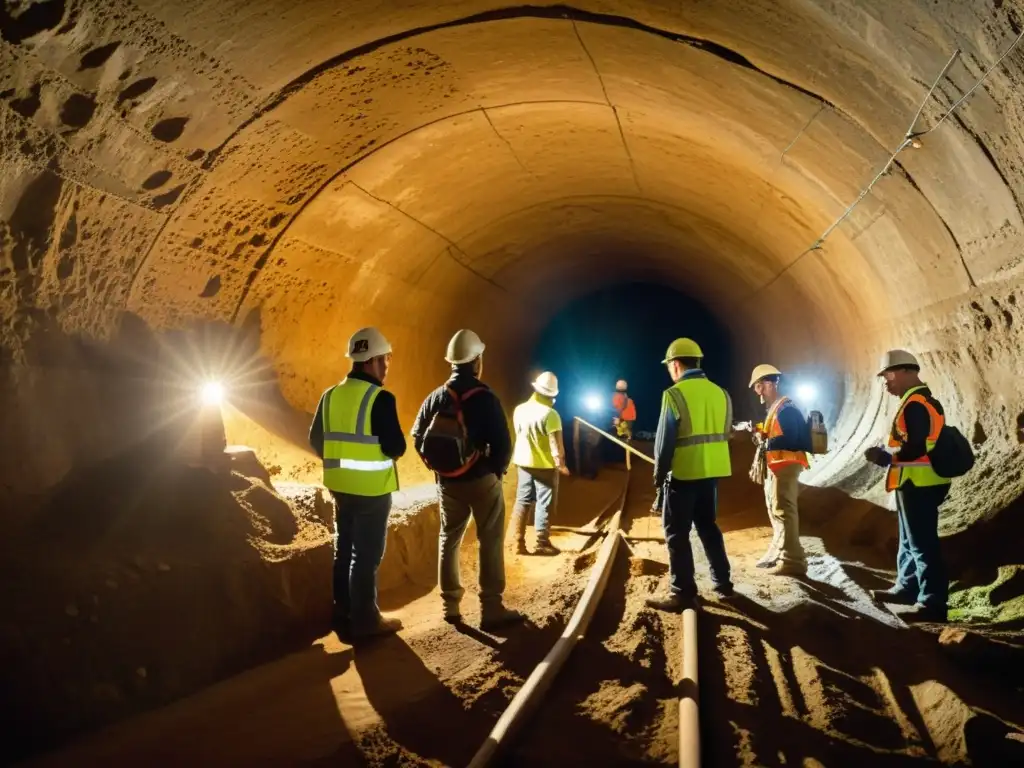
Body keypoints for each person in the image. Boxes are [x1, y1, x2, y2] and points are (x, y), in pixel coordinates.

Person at [411, 329, 523, 629]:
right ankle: (491, 608)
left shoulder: (435, 397)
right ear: (477, 361)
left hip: (447, 484)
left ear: (452, 362)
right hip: (482, 480)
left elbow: (417, 437)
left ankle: (450, 607)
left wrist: (440, 469)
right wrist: (495, 471)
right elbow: (503, 442)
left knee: (448, 538)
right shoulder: (485, 397)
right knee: (490, 539)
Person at [309, 327, 406, 640]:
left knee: (345, 549)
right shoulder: (380, 398)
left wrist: (339, 460)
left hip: (340, 486)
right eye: (385, 360)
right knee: (365, 557)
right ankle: (366, 622)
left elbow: (315, 439)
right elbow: (396, 448)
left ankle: (344, 613)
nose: (387, 366)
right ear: (372, 361)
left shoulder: (330, 395)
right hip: (371, 490)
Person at [647, 338, 735, 611]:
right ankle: (723, 585)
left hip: (684, 475)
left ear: (675, 365)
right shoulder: (722, 393)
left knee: (676, 533)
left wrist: (659, 476)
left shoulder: (673, 395)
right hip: (712, 474)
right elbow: (726, 432)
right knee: (708, 527)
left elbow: (664, 443)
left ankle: (682, 593)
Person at [864, 349, 951, 623]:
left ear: (906, 372)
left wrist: (886, 458)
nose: (886, 381)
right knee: (908, 540)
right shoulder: (917, 401)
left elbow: (915, 447)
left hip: (919, 481)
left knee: (922, 543)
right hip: (914, 480)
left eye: (888, 374)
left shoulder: (915, 404)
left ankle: (932, 602)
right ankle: (907, 588)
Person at [749, 364, 810, 576]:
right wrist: (760, 433)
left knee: (785, 511)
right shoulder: (777, 408)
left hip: (786, 464)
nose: (757, 392)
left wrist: (766, 443)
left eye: (757, 387)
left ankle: (793, 561)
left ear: (765, 385)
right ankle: (779, 552)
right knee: (777, 510)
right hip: (777, 465)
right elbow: (778, 434)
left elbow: (792, 438)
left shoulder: (786, 408)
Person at [510, 372, 571, 556]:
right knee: (544, 502)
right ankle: (541, 542)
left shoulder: (519, 409)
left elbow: (519, 433)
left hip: (523, 462)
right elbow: (556, 444)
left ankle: (518, 543)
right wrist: (560, 464)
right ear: (552, 394)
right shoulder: (551, 414)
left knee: (522, 501)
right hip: (544, 466)